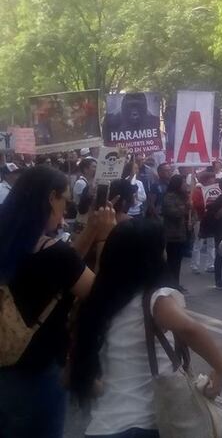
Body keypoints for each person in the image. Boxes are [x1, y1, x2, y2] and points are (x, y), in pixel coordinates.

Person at [69, 218, 222, 438]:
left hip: (103, 426)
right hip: (142, 425)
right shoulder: (156, 299)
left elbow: (75, 369)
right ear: (153, 257)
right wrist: (221, 369)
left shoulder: (100, 301)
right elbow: (190, 329)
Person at [0, 166, 114, 437]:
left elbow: (63, 273)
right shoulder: (54, 255)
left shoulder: (12, 243)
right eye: (65, 199)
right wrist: (104, 237)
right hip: (38, 374)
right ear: (51, 198)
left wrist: (88, 232)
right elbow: (104, 296)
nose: (67, 207)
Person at [161, 174, 190, 290]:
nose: (185, 185)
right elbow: (172, 213)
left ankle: (175, 283)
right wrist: (185, 207)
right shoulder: (169, 197)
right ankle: (170, 284)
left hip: (181, 233)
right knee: (172, 260)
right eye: (183, 183)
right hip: (172, 234)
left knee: (177, 261)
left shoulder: (183, 196)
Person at [190, 171, 216, 274]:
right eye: (211, 178)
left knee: (211, 243)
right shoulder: (198, 190)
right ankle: (195, 265)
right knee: (198, 243)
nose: (213, 180)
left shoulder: (214, 189)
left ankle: (210, 265)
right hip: (201, 219)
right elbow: (197, 204)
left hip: (211, 219)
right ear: (206, 180)